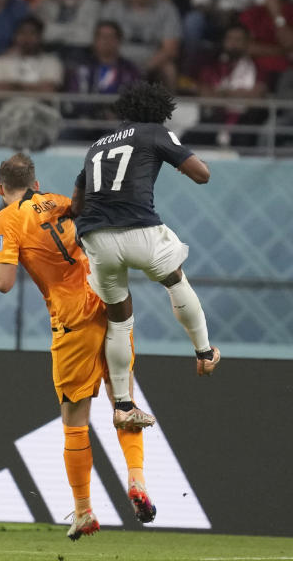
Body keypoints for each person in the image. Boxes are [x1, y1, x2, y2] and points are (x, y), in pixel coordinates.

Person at [0, 152, 156, 541]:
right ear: (36, 182)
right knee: (122, 401)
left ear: (0, 188)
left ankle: (83, 511)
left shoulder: (6, 219)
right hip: (109, 301)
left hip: (72, 319)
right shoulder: (61, 201)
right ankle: (137, 479)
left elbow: (3, 282)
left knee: (75, 421)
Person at [70, 82, 220, 431]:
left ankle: (123, 406)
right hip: (139, 228)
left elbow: (77, 204)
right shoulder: (155, 133)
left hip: (96, 236)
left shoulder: (96, 146)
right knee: (174, 278)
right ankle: (204, 353)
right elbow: (203, 175)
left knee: (120, 319)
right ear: (160, 112)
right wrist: (176, 159)